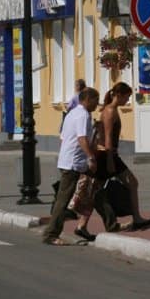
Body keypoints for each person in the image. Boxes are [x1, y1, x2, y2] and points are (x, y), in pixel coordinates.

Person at [91, 82, 150, 232]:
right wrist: (110, 160)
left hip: (110, 154)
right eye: (127, 97)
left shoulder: (112, 110)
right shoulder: (109, 112)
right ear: (118, 95)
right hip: (107, 155)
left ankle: (136, 218)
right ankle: (81, 222)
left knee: (98, 189)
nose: (127, 101)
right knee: (96, 190)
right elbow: (107, 137)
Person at [43, 87, 100, 245]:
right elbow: (82, 139)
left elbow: (64, 137)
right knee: (63, 199)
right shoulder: (82, 115)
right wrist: (91, 157)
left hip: (71, 160)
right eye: (96, 100)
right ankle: (51, 234)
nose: (98, 104)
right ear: (87, 99)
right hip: (74, 162)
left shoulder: (73, 113)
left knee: (94, 189)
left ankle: (103, 222)